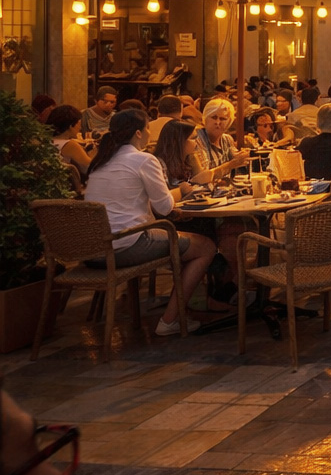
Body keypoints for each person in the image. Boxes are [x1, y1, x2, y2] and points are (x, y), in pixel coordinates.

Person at [83, 109, 215, 336]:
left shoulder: (100, 161)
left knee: (184, 242)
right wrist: (182, 190)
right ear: (137, 133)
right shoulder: (143, 160)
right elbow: (164, 207)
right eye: (147, 128)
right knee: (206, 247)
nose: (149, 133)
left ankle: (186, 306)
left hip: (92, 250)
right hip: (126, 245)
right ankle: (170, 320)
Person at [189, 99, 250, 182]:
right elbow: (202, 177)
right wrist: (231, 164)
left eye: (222, 119)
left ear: (229, 122)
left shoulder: (227, 139)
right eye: (214, 117)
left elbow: (236, 159)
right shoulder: (197, 140)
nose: (218, 122)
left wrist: (243, 156)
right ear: (205, 119)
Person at [47, 106, 92, 175]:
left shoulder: (46, 140)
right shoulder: (69, 145)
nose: (80, 128)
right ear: (71, 126)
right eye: (79, 124)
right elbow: (90, 167)